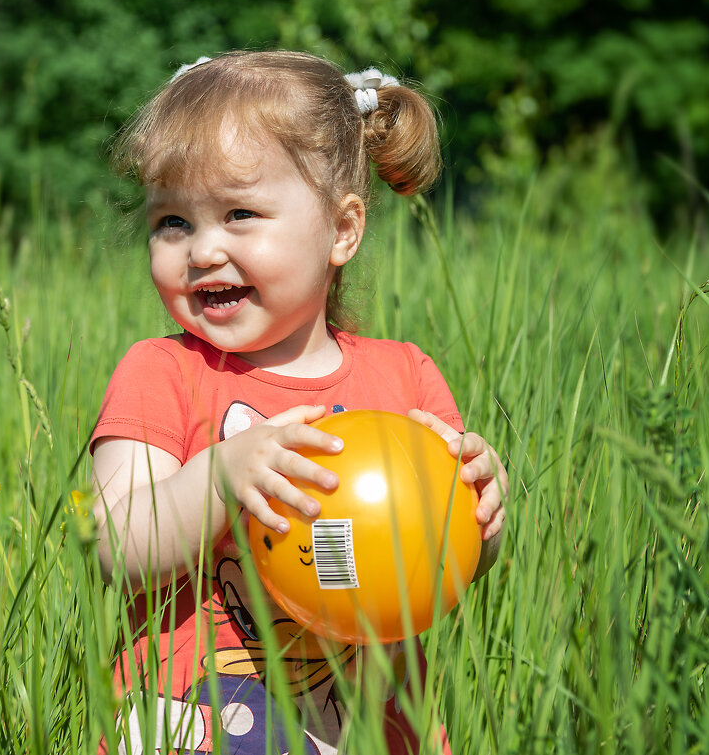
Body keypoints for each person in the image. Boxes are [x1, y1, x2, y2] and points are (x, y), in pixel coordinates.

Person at [90, 50, 508, 754]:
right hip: (199, 722)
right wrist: (221, 476)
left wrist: (483, 512)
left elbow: (443, 563)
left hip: (370, 729)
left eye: (239, 213)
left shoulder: (405, 378)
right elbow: (110, 542)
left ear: (342, 230)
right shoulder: (161, 371)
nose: (201, 250)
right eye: (173, 222)